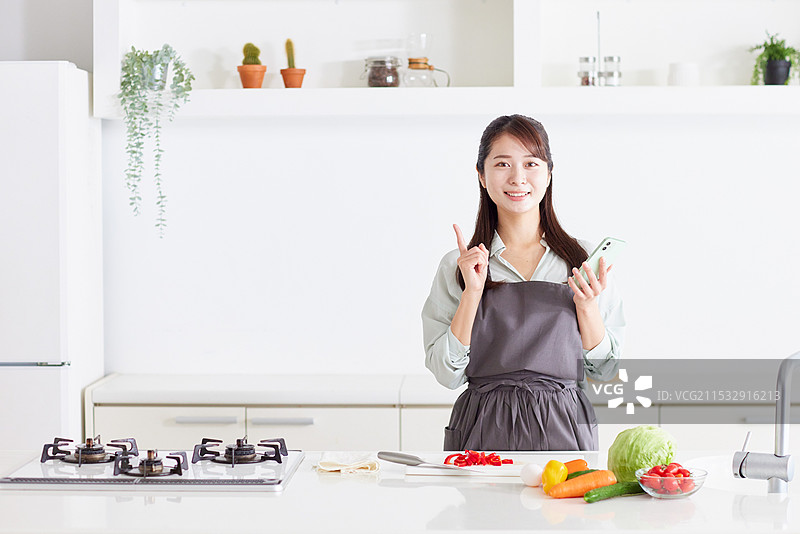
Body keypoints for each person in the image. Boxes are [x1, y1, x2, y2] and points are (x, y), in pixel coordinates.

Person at [421, 115, 624, 451]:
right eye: (502, 164)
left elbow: (605, 372)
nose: (518, 178)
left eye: (531, 163)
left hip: (564, 430)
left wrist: (587, 307)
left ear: (549, 173)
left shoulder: (584, 261)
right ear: (481, 175)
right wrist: (473, 293)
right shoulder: (460, 266)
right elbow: (447, 374)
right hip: (481, 431)